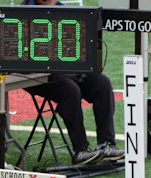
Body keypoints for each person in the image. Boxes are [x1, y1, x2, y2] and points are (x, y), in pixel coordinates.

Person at [20, 0, 125, 165]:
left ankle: (106, 145)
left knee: (102, 82)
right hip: (35, 75)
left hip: (65, 70)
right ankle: (80, 150)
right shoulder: (22, 13)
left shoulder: (64, 10)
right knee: (70, 90)